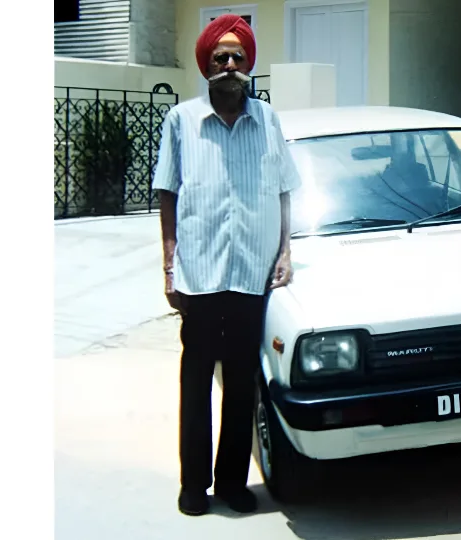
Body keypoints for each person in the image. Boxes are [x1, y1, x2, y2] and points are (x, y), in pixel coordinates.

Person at [151, 14, 302, 516]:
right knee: (195, 386)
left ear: (248, 64)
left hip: (251, 275)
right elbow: (167, 197)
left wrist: (285, 251)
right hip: (199, 275)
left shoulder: (268, 120)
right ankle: (193, 486)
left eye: (238, 56)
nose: (231, 65)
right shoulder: (182, 122)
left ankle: (233, 484)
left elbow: (284, 191)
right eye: (221, 57)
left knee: (242, 386)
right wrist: (169, 263)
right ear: (207, 65)